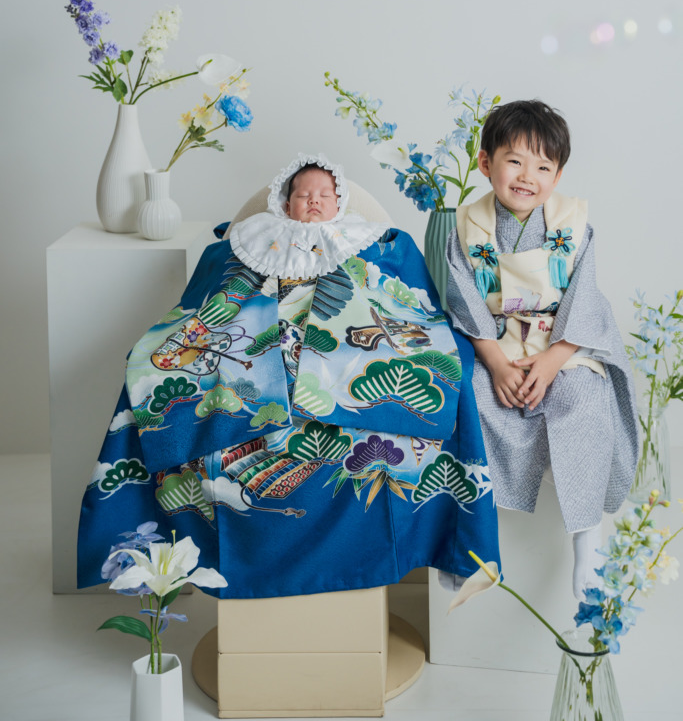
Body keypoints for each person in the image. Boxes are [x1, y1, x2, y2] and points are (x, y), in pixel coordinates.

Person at [78, 153, 500, 598]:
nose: (314, 201)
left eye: (324, 195)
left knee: (449, 370)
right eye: (303, 194)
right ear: (285, 202)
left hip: (348, 350)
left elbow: (407, 297)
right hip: (255, 347)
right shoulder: (245, 242)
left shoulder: (372, 240)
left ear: (341, 203)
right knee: (160, 373)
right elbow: (209, 297)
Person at [445, 101, 638, 598]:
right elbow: (463, 297)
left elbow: (585, 296)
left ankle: (587, 540)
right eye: (514, 161)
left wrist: (553, 361)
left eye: (543, 167)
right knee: (470, 400)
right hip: (498, 342)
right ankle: (468, 544)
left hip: (564, 341)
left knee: (584, 401)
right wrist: (495, 362)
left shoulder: (574, 222)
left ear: (558, 175)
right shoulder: (466, 225)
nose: (527, 177)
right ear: (485, 162)